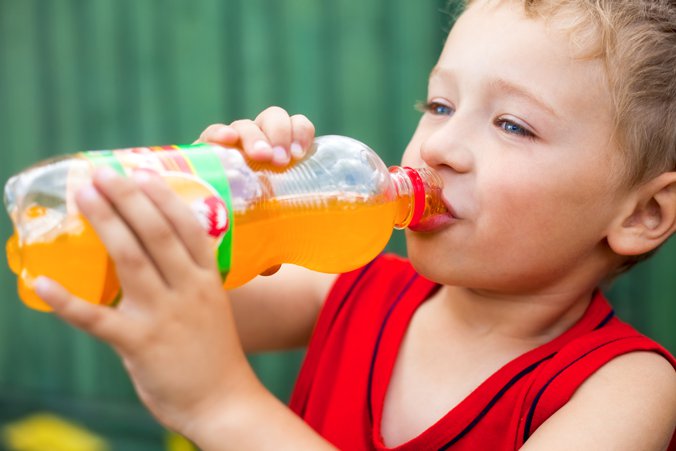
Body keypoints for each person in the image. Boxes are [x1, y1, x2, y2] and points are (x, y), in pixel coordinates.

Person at [33, 0, 676, 449]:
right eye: (440, 104)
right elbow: (161, 302)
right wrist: (231, 201)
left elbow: (209, 387)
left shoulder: (629, 390)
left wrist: (223, 409)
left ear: (643, 213)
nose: (440, 145)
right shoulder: (348, 285)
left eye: (513, 124)